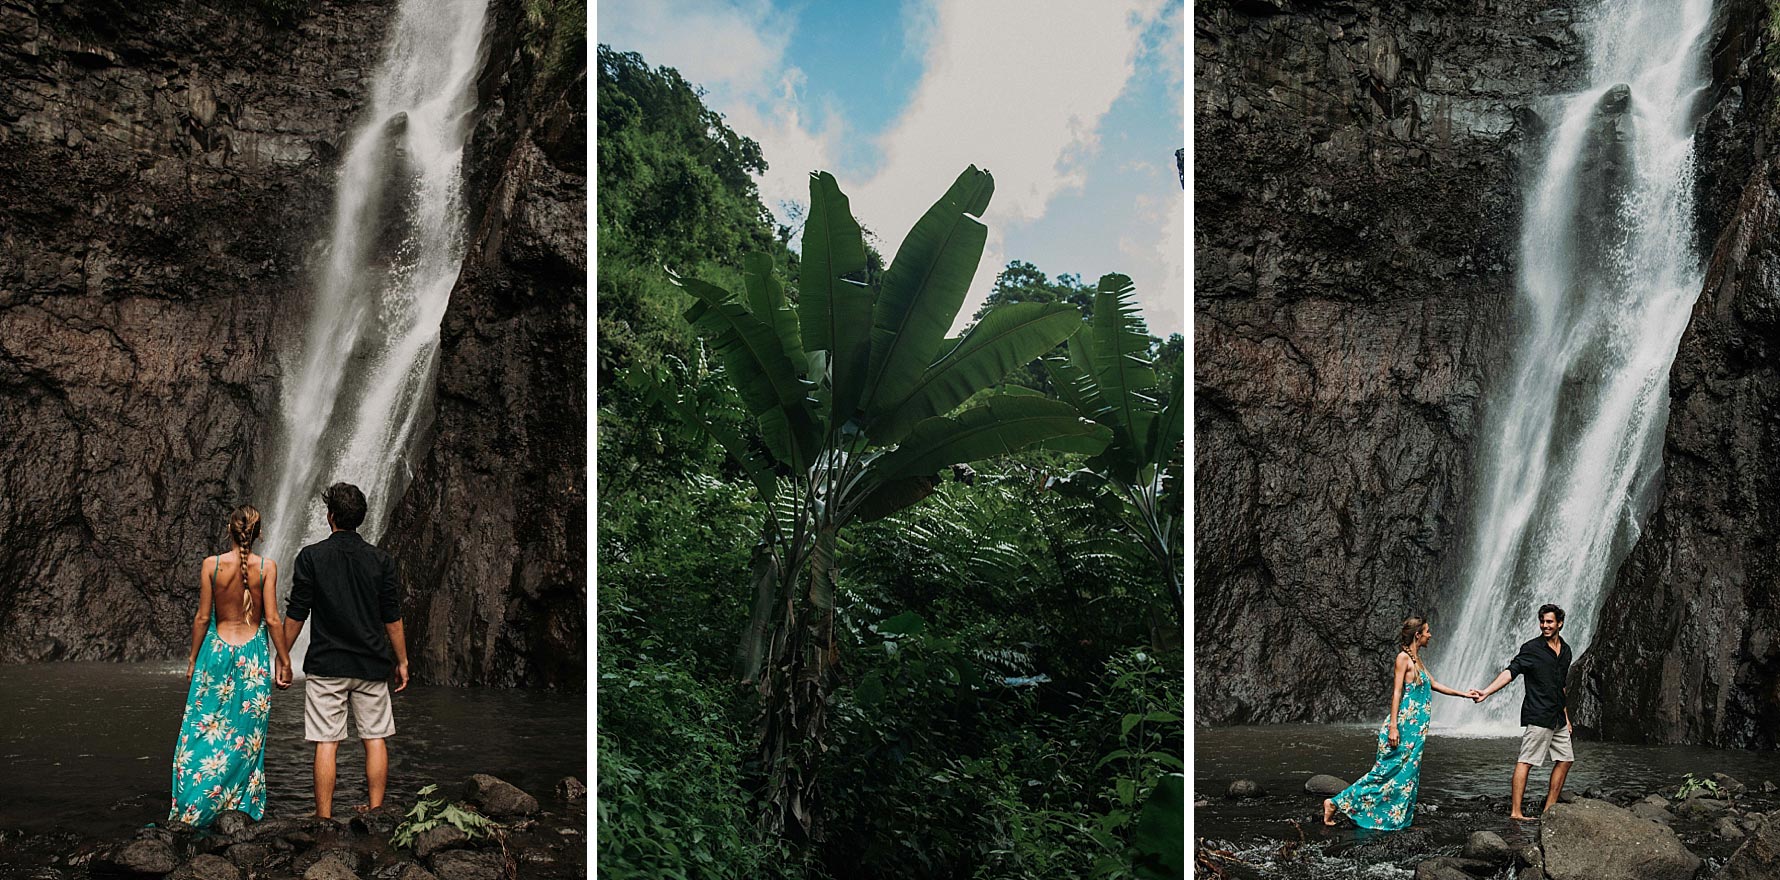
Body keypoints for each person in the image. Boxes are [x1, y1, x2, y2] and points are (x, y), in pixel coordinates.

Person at [277, 482, 410, 819]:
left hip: (327, 663)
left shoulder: (311, 557)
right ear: (360, 519)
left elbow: (297, 612)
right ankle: (376, 811)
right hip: (371, 664)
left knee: (326, 742)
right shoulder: (381, 560)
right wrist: (403, 661)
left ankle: (324, 817)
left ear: (330, 516)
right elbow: (392, 618)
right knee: (375, 738)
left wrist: (282, 656)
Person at [170, 505, 288, 826]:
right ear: (258, 533)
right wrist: (285, 659)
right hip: (254, 659)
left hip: (215, 654)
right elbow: (274, 619)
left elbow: (203, 618)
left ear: (229, 529)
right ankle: (237, 806)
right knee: (247, 736)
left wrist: (193, 658)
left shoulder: (211, 565)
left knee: (203, 728)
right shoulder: (267, 567)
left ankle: (195, 802)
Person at [1322, 617, 1483, 829]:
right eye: (1427, 631)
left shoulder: (1417, 660)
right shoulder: (1403, 659)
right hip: (1403, 727)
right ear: (1418, 634)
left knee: (1408, 775)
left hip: (1416, 730)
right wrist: (1393, 727)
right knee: (1383, 773)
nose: (1430, 635)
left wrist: (1464, 694)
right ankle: (1334, 803)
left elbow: (1434, 684)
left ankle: (1399, 819)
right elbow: (1397, 692)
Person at [1474, 604, 1574, 821]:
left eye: (1549, 622)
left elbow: (1561, 686)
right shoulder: (1531, 648)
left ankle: (1549, 809)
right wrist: (1487, 692)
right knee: (1526, 761)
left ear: (1560, 623)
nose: (1545, 626)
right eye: (1542, 621)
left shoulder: (1566, 651)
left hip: (1557, 715)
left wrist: (1566, 716)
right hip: (1538, 713)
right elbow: (1511, 672)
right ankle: (1516, 812)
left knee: (1566, 759)